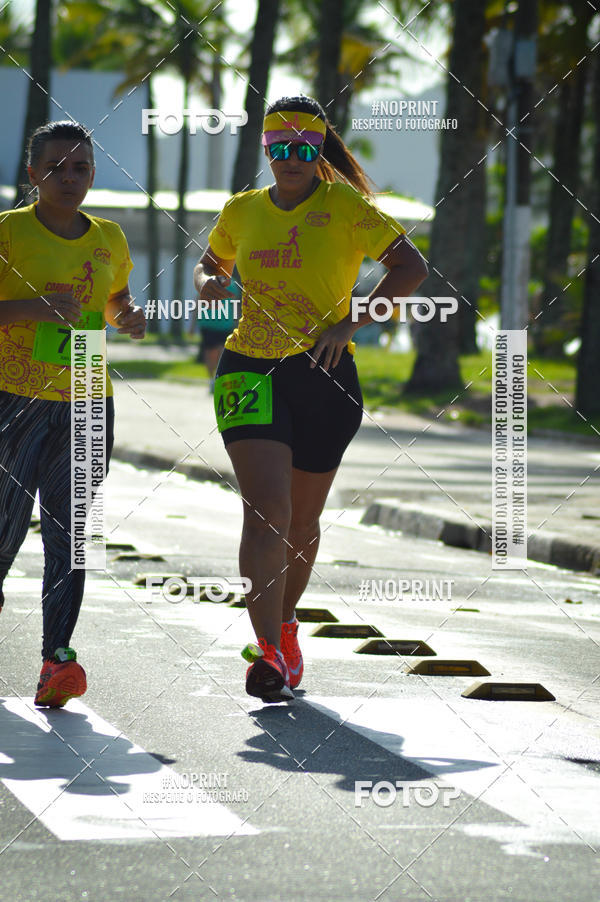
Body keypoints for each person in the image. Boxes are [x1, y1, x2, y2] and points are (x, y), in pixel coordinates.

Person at [193, 95, 427, 702]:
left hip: (325, 375)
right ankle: (266, 651)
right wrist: (210, 281)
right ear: (265, 150)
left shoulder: (346, 206)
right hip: (249, 367)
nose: (291, 159)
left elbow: (411, 268)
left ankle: (286, 624)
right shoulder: (242, 210)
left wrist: (349, 323)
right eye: (279, 149)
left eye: (303, 148)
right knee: (265, 509)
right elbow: (208, 262)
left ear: (319, 150)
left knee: (301, 521)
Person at [0, 120, 145, 707]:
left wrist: (126, 317)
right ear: (33, 174)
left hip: (88, 394)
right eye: (56, 167)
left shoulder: (109, 236)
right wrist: (33, 308)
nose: (69, 176)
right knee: (4, 532)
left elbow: (113, 300)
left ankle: (57, 660)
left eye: (80, 167)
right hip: (14, 395)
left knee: (70, 536)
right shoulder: (8, 232)